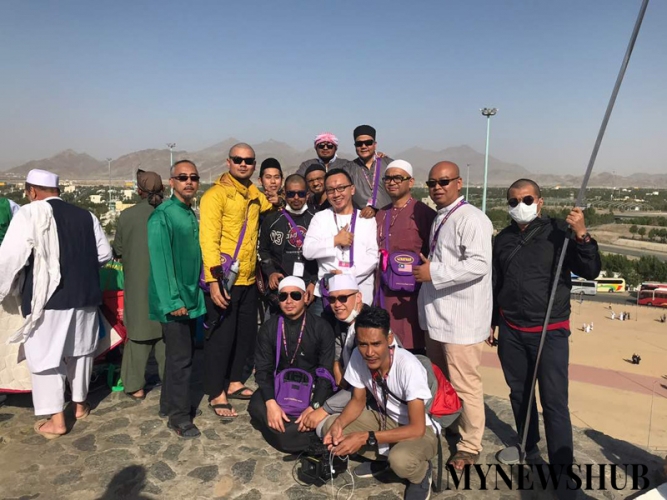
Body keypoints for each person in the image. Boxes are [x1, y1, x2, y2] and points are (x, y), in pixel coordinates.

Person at [488, 179, 601, 481]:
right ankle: (527, 446)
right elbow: (497, 282)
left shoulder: (560, 233)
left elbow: (590, 270)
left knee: (554, 401)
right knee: (520, 394)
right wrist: (492, 321)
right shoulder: (503, 239)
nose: (520, 206)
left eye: (527, 200)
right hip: (512, 329)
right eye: (513, 201)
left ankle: (562, 469)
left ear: (540, 202)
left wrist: (582, 234)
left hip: (550, 330)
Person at [0, 169, 112, 438]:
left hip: (47, 299)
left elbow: (10, 258)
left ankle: (57, 420)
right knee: (81, 351)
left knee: (44, 357)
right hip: (85, 296)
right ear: (58, 190)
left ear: (32, 191)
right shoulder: (87, 215)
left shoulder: (29, 213)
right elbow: (105, 254)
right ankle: (80, 405)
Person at [415, 161, 493, 470]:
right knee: (442, 379)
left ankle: (470, 444)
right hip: (438, 316)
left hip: (462, 319)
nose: (437, 187)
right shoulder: (442, 216)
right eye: (432, 183)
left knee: (464, 383)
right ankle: (449, 424)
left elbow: (478, 264)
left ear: (458, 183)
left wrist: (433, 271)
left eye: (444, 181)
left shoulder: (472, 218)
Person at [321, 307, 437, 500]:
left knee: (401, 460)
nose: (369, 352)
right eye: (363, 344)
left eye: (376, 344)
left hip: (420, 429)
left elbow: (417, 429)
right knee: (330, 426)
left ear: (389, 339)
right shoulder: (358, 356)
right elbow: (357, 401)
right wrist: (339, 424)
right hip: (385, 419)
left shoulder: (408, 367)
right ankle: (384, 461)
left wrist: (365, 437)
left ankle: (420, 474)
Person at [199, 143, 278, 418]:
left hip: (247, 278)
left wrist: (278, 198)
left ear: (254, 165)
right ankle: (215, 392)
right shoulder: (215, 196)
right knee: (221, 337)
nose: (243, 164)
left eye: (248, 160)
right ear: (228, 162)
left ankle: (234, 382)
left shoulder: (254, 194)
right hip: (223, 280)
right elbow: (208, 240)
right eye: (238, 159)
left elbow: (270, 206)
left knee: (244, 335)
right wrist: (214, 280)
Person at [148, 160, 206, 438]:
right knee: (182, 358)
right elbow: (161, 262)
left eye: (193, 177)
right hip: (175, 301)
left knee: (178, 355)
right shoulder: (163, 215)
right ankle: (180, 417)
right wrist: (173, 301)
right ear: (172, 182)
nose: (189, 181)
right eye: (183, 177)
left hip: (190, 297)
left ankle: (169, 404)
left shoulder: (187, 212)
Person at [248, 276, 335, 453]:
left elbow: (326, 372)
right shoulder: (269, 327)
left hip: (311, 390)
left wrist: (314, 406)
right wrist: (271, 404)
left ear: (305, 297)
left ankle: (290, 433)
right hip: (280, 388)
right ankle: (301, 434)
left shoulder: (321, 327)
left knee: (292, 426)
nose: (289, 301)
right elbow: (263, 369)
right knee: (257, 405)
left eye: (295, 295)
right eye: (283, 296)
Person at [114, 170, 166, 401]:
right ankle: (170, 382)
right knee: (166, 337)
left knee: (137, 335)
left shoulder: (127, 216)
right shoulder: (170, 213)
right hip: (167, 288)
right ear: (163, 189)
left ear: (139, 191)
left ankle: (135, 386)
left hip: (137, 286)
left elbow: (118, 250)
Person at [375, 160, 436, 353]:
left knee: (412, 350)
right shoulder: (380, 214)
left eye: (397, 178)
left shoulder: (424, 214)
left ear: (410, 182)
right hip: (384, 292)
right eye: (387, 178)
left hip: (411, 297)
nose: (392, 182)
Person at [302, 168, 379, 308]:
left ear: (352, 189)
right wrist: (335, 240)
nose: (336, 194)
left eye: (341, 188)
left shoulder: (366, 219)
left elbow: (373, 257)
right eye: (330, 190)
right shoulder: (320, 218)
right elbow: (308, 251)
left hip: (359, 294)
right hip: (327, 295)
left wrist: (344, 275)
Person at [258, 174, 318, 316]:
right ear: (284, 194)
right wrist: (270, 272)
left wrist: (314, 283)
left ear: (307, 194)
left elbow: (324, 256)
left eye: (301, 194)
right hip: (281, 288)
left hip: (309, 288)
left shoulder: (317, 218)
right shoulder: (271, 220)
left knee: (313, 328)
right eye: (291, 194)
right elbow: (263, 250)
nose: (296, 198)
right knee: (274, 328)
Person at [344, 125, 393, 218]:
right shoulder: (348, 169)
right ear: (355, 146)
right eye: (359, 144)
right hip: (361, 220)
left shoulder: (389, 165)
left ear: (375, 144)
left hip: (388, 218)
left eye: (368, 143)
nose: (364, 146)